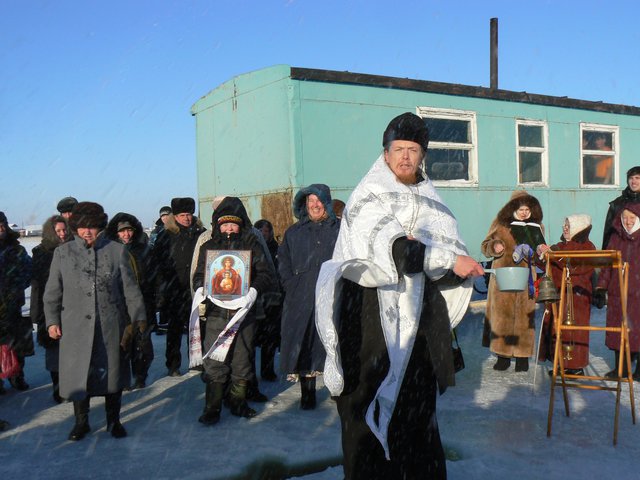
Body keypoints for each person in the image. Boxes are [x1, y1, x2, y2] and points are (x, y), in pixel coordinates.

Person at [315, 112, 481, 479]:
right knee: (367, 409)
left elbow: (446, 256)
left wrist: (455, 266)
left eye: (413, 150)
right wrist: (447, 260)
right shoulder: (368, 194)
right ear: (385, 153)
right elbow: (394, 252)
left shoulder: (433, 202)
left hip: (420, 326)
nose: (405, 156)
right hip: (369, 320)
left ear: (422, 156)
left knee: (417, 416)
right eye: (398, 149)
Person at [44, 202, 147, 441]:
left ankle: (114, 421)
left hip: (110, 326)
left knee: (113, 376)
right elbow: (52, 292)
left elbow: (131, 290)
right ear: (75, 228)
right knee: (79, 377)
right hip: (75, 327)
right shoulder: (62, 253)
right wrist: (51, 321)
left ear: (100, 227)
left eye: (92, 227)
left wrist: (139, 319)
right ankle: (81, 422)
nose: (87, 232)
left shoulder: (117, 251)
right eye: (82, 227)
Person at [191, 197, 273, 424]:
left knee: (242, 359)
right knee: (215, 359)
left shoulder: (252, 246)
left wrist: (253, 290)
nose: (229, 229)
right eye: (225, 224)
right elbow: (200, 275)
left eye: (233, 225)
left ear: (240, 225)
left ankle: (238, 402)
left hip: (243, 313)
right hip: (216, 312)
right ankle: (212, 406)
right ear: (218, 225)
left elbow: (265, 274)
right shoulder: (208, 247)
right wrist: (201, 288)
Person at [279, 184, 340, 410]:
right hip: (301, 297)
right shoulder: (294, 232)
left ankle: (337, 387)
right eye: (310, 201)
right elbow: (283, 262)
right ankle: (308, 393)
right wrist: (291, 284)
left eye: (318, 200)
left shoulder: (340, 230)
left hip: (333, 295)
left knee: (333, 342)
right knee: (304, 343)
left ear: (326, 202)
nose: (315, 205)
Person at [481, 190, 543, 372]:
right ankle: (503, 355)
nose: (524, 213)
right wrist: (494, 246)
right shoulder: (500, 224)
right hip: (503, 276)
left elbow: (539, 251)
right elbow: (484, 246)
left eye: (527, 209)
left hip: (526, 277)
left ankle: (522, 356)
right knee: (503, 315)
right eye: (520, 209)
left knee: (525, 317)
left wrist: (540, 252)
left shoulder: (537, 226)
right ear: (513, 208)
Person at [153, 197, 206, 376]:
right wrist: (162, 288)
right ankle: (173, 364)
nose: (186, 218)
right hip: (174, 288)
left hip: (196, 288)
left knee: (197, 327)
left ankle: (197, 360)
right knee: (175, 329)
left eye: (189, 214)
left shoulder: (201, 234)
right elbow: (158, 264)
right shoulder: (165, 236)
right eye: (182, 215)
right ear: (175, 217)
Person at [537, 215, 595, 375]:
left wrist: (554, 254)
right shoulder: (560, 246)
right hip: (558, 294)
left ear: (579, 228)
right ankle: (561, 363)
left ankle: (575, 367)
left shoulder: (587, 247)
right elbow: (547, 264)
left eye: (569, 225)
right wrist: (540, 253)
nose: (565, 228)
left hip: (576, 296)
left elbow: (577, 266)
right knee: (557, 329)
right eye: (564, 225)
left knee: (573, 331)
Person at [105, 212, 156, 389]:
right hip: (119, 304)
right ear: (116, 233)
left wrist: (155, 295)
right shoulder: (109, 251)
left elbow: (154, 274)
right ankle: (124, 377)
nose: (126, 234)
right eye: (122, 231)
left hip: (143, 301)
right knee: (123, 343)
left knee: (143, 342)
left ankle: (141, 375)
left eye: (129, 230)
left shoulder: (143, 249)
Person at [595, 204, 640, 379]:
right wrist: (601, 287)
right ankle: (620, 368)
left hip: (638, 294)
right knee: (617, 329)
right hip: (617, 293)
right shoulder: (615, 238)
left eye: (632, 218)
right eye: (625, 218)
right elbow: (607, 266)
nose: (628, 222)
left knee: (638, 330)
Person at [31, 215, 70, 402]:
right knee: (54, 350)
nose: (62, 234)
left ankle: (73, 384)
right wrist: (39, 314)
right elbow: (39, 286)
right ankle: (58, 387)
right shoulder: (42, 252)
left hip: (72, 306)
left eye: (64, 230)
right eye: (58, 231)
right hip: (51, 306)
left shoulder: (74, 248)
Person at [0, 212, 32, 393]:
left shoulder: (17, 250)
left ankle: (17, 376)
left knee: (17, 345)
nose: (1, 228)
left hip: (13, 306)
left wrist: (14, 288)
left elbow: (28, 271)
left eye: (3, 224)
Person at [253, 219, 281, 381]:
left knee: (270, 337)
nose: (263, 234)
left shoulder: (277, 249)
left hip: (272, 298)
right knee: (254, 337)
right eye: (260, 231)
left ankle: (267, 370)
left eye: (266, 231)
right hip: (256, 298)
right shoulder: (254, 248)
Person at [602, 166, 640, 249]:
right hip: (621, 249)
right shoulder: (618, 204)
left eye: (637, 178)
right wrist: (606, 254)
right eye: (631, 178)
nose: (634, 181)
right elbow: (608, 233)